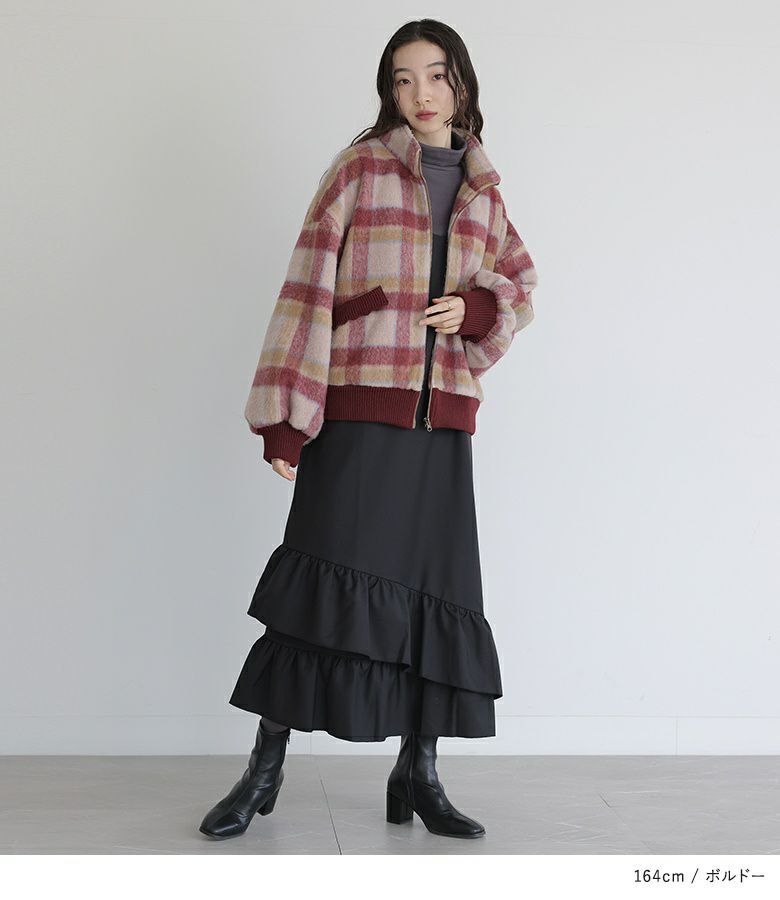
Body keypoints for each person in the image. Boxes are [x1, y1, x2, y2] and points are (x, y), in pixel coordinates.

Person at [199, 17, 538, 842]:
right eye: (402, 78)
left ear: (461, 82)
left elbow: (522, 284)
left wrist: (480, 307)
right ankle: (265, 770)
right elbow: (305, 286)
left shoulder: (485, 189)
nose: (421, 94)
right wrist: (286, 420)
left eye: (436, 75)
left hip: (441, 424)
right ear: (388, 90)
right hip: (357, 411)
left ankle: (418, 773)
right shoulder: (358, 170)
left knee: (433, 596)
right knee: (318, 590)